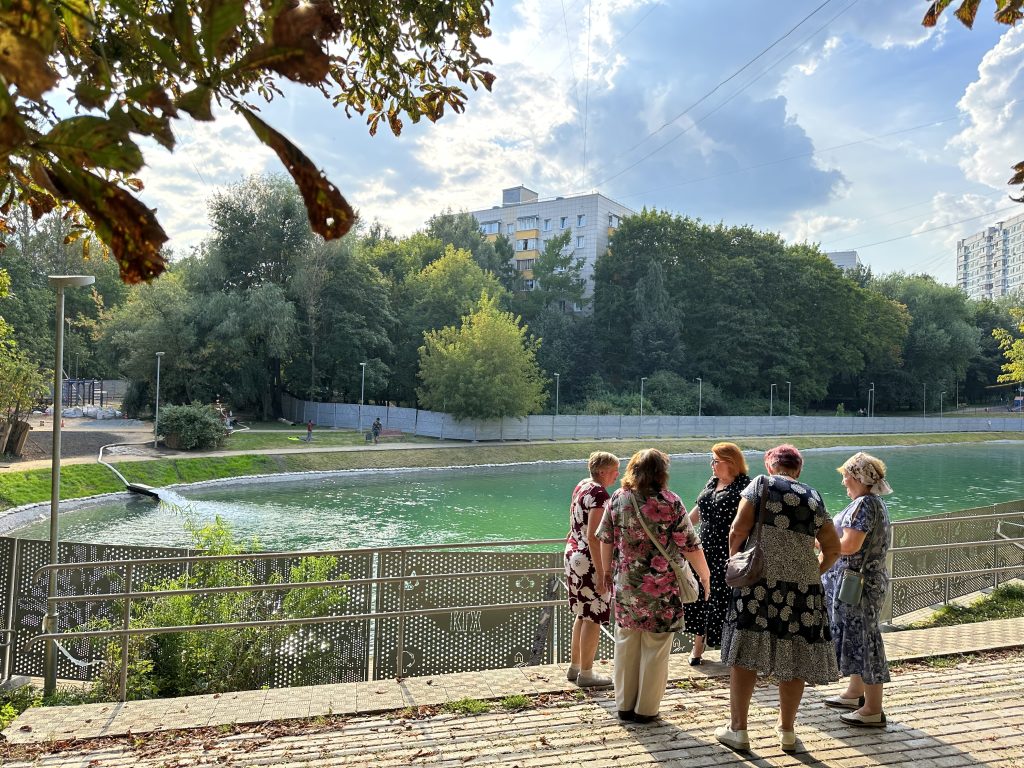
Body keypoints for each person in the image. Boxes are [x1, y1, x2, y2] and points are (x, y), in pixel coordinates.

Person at [717, 444, 841, 752]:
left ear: (771, 466)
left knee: (745, 655)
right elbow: (834, 548)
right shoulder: (813, 497)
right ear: (798, 470)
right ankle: (787, 731)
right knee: (796, 657)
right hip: (803, 590)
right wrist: (813, 571)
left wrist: (737, 563)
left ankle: (739, 731)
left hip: (758, 582)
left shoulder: (760, 485)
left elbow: (737, 530)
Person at [596, 448, 711, 723]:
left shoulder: (619, 498)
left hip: (627, 586)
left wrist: (605, 573)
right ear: (662, 472)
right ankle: (646, 710)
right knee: (656, 648)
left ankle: (624, 706)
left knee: (626, 644)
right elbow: (691, 545)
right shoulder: (670, 502)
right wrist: (705, 576)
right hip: (661, 590)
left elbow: (605, 538)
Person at [821, 452, 893, 727]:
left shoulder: (864, 505)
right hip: (858, 582)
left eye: (846, 476)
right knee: (857, 636)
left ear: (859, 478)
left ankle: (873, 709)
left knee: (866, 639)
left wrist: (821, 545)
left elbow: (850, 545)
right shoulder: (872, 502)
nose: (843, 482)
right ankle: (855, 693)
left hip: (859, 585)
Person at [686, 442, 751, 665]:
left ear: (730, 463)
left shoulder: (745, 487)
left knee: (725, 600)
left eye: (715, 461)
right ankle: (697, 648)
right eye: (711, 461)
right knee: (702, 597)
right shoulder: (711, 483)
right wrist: (675, 529)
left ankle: (729, 650)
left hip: (729, 552)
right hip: (704, 551)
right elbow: (694, 516)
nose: (711, 465)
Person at [564, 451, 620, 687]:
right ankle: (587, 673)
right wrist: (603, 572)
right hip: (589, 560)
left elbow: (574, 522)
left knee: (582, 613)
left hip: (573, 555)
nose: (618, 475)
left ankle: (575, 666)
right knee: (593, 617)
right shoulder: (599, 494)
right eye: (615, 471)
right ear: (604, 472)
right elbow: (595, 536)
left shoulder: (582, 485)